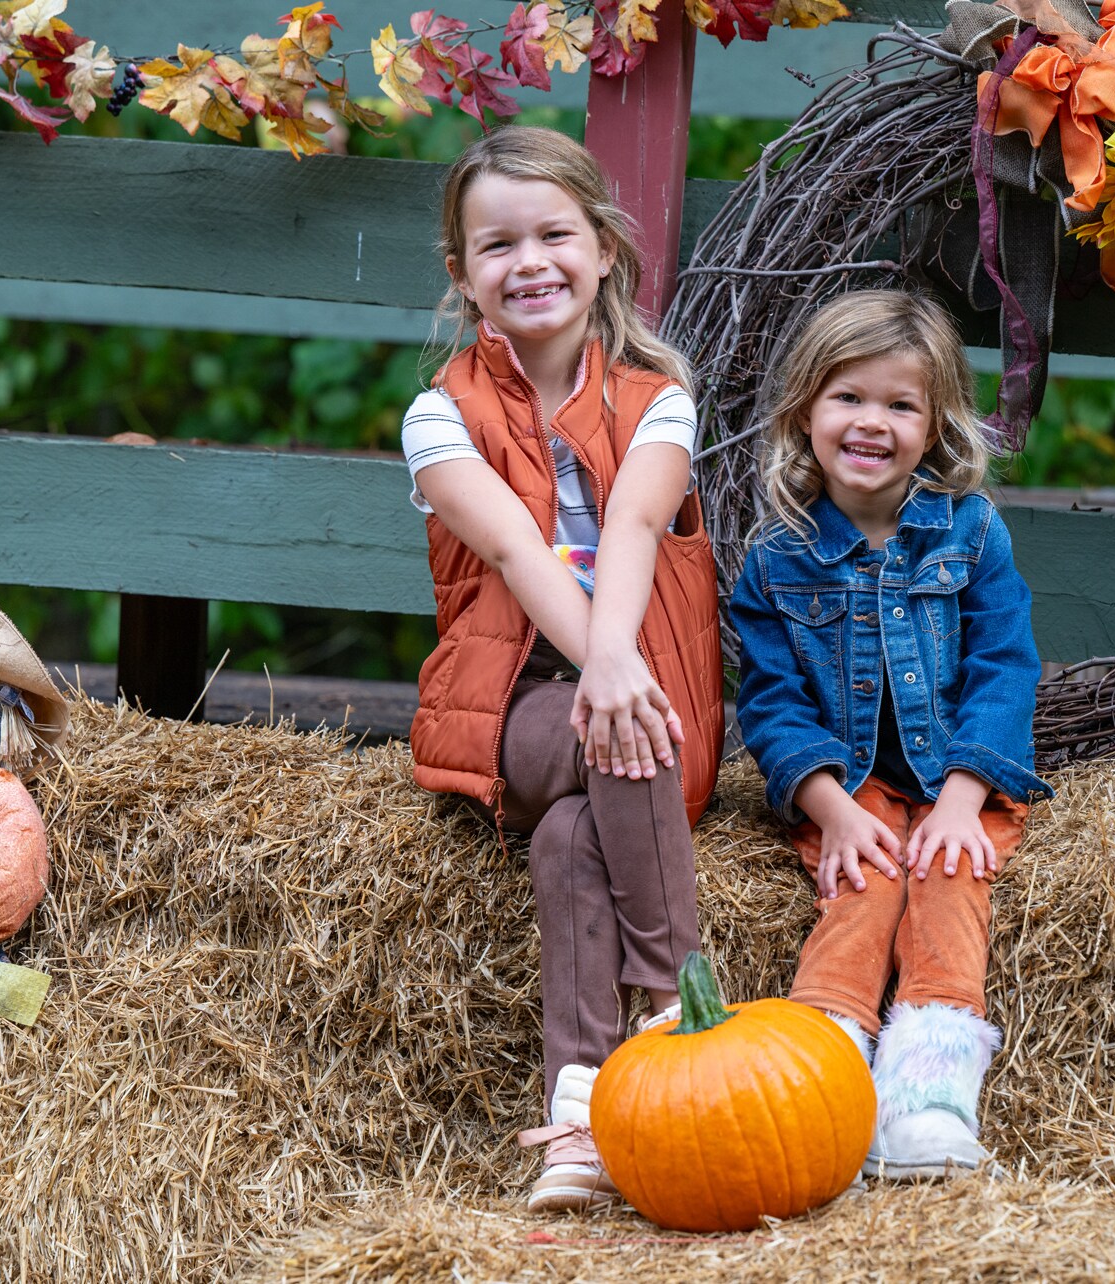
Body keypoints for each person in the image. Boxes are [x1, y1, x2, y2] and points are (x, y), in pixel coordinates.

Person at [404, 126, 722, 1213]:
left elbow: (632, 526)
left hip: (642, 683)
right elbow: (514, 551)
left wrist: (620, 667)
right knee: (604, 734)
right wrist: (605, 674)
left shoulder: (660, 397)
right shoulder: (439, 415)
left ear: (602, 252)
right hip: (517, 703)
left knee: (573, 833)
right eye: (497, 245)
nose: (528, 261)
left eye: (553, 234)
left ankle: (580, 1123)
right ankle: (685, 1000)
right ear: (464, 275)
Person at [729, 289, 1051, 1180]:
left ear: (936, 425)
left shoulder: (972, 534)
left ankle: (928, 1094)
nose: (873, 423)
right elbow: (773, 703)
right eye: (849, 398)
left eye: (901, 405)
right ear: (804, 412)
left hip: (960, 776)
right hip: (852, 781)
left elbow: (1003, 668)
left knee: (949, 878)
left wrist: (962, 798)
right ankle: (823, 1071)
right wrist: (829, 809)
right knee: (863, 887)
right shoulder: (776, 559)